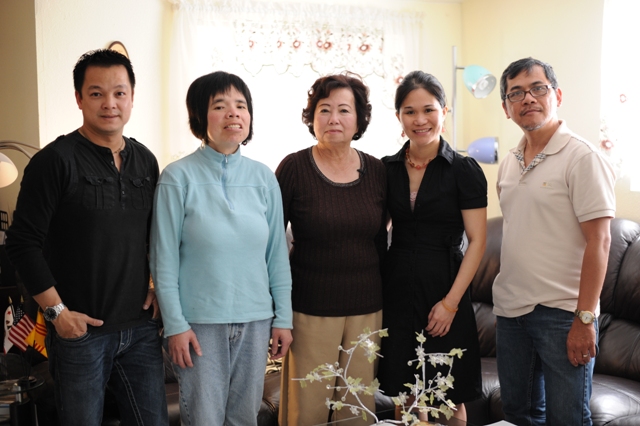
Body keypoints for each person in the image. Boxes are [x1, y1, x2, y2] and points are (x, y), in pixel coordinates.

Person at [5, 49, 168, 425]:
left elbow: (155, 237)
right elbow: (22, 243)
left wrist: (157, 286)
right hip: (81, 334)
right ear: (79, 98)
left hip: (140, 329)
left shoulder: (146, 161)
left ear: (132, 97)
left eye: (119, 93)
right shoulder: (54, 161)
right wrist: (57, 314)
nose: (110, 103)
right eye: (96, 93)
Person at [150, 71, 292, 426]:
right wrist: (175, 325)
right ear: (200, 116)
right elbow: (163, 259)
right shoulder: (177, 177)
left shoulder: (264, 178)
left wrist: (283, 319)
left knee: (244, 418)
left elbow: (276, 255)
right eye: (220, 105)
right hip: (199, 325)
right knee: (204, 419)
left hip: (256, 321)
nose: (233, 113)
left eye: (241, 105)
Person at [493, 57, 616, 426]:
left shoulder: (582, 157)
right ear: (506, 108)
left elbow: (600, 241)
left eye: (538, 88)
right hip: (510, 312)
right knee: (518, 415)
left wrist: (585, 318)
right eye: (516, 93)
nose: (528, 98)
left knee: (568, 419)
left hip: (563, 315)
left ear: (557, 95)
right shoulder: (509, 162)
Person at [276, 73, 386, 425]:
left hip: (368, 309)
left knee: (357, 410)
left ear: (359, 119)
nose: (333, 118)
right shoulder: (294, 168)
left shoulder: (378, 171)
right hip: (310, 310)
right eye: (324, 110)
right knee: (306, 410)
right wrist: (278, 313)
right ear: (312, 118)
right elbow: (272, 244)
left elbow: (381, 242)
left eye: (344, 110)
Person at [377, 70, 487, 422]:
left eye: (428, 110)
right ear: (399, 117)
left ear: (444, 111)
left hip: (444, 286)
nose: (420, 120)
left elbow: (478, 241)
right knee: (406, 392)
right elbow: (377, 231)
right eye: (409, 112)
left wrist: (450, 304)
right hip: (397, 288)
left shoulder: (464, 170)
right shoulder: (385, 169)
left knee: (449, 394)